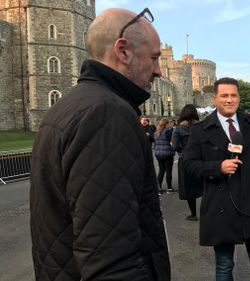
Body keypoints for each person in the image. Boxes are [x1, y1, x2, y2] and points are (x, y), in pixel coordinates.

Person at [30, 8, 171, 281]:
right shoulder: (107, 114)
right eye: (154, 58)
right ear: (123, 50)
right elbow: (111, 258)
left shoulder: (66, 107)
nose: (158, 71)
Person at [183, 77, 250, 281]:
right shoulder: (200, 130)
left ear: (239, 97)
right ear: (215, 98)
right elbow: (189, 165)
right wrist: (217, 167)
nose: (229, 100)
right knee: (225, 266)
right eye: (224, 95)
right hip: (221, 206)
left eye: (233, 95)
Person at [172, 104, 203, 221]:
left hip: (185, 160)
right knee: (203, 185)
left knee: (189, 187)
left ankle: (193, 214)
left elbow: (175, 146)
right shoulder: (200, 127)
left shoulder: (178, 129)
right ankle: (208, 211)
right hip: (200, 158)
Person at [154, 118, 176, 193]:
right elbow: (172, 141)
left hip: (158, 153)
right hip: (167, 153)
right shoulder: (167, 132)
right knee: (168, 171)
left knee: (161, 170)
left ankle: (158, 188)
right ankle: (169, 188)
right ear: (166, 124)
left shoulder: (156, 132)